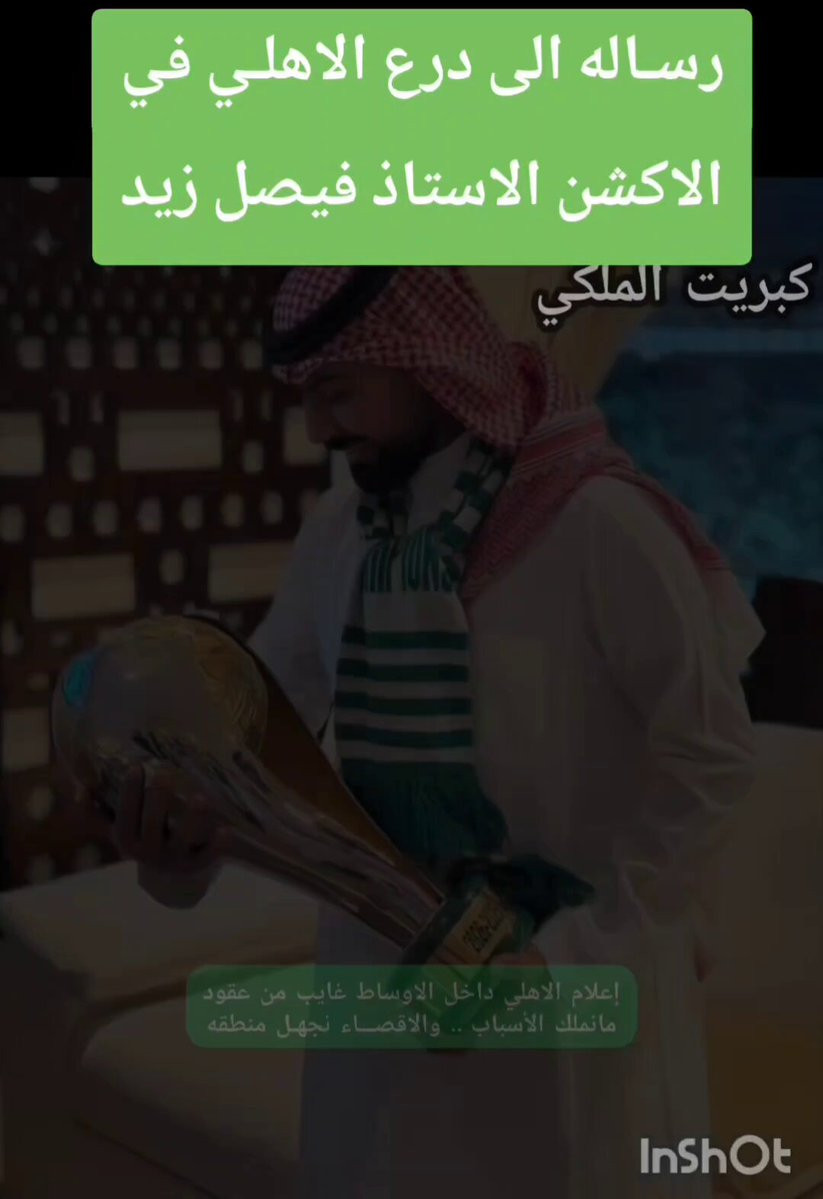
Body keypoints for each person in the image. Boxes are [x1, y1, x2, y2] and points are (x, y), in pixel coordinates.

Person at [107, 266, 763, 1197]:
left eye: (338, 392)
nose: (317, 430)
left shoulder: (597, 522)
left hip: (568, 1010)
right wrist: (180, 844)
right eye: (306, 396)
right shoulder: (342, 530)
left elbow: (714, 758)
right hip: (382, 1003)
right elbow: (255, 741)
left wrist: (576, 956)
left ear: (430, 365)